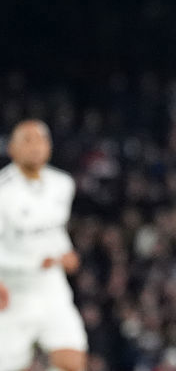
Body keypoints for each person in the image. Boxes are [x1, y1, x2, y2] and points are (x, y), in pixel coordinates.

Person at [0, 119, 88, 371]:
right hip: (13, 291)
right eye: (27, 140)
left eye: (40, 139)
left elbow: (55, 230)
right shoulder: (3, 192)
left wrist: (66, 252)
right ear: (12, 149)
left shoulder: (63, 184)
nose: (35, 146)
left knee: (73, 363)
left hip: (52, 287)